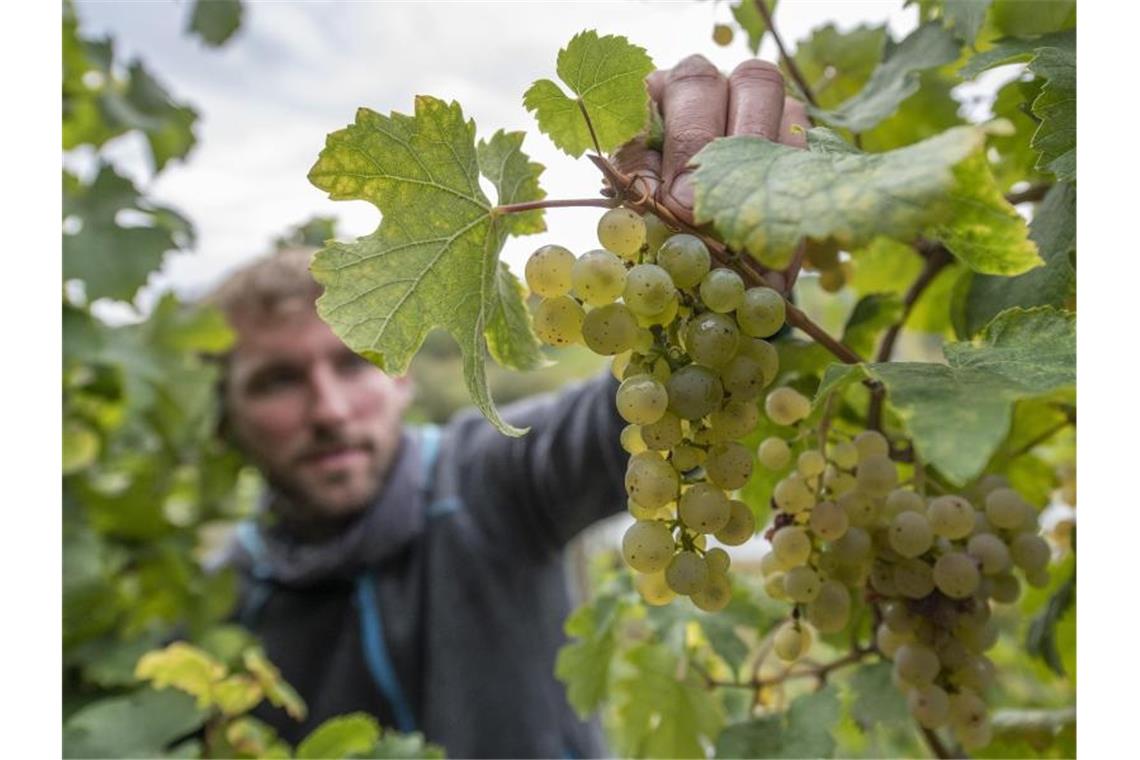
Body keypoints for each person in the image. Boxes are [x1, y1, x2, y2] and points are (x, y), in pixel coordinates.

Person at [210, 55, 808, 758]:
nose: (330, 409)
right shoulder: (217, 603)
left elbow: (635, 414)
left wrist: (731, 285)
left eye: (355, 361)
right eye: (277, 380)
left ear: (403, 375)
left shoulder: (487, 481)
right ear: (226, 414)